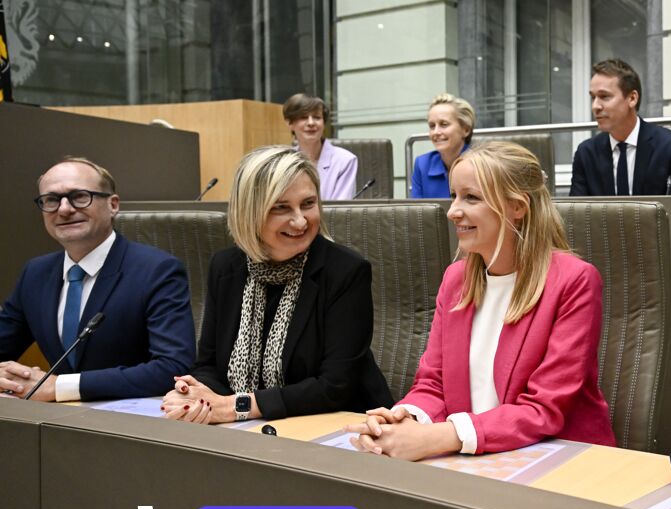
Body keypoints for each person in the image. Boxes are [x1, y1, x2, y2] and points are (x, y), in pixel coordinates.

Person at [347, 141, 615, 460]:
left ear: (517, 207)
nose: (452, 211)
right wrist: (404, 420)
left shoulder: (575, 280)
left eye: (471, 197)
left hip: (564, 460)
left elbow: (544, 408)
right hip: (477, 458)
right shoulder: (455, 280)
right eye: (454, 196)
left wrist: (438, 437)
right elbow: (433, 384)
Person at [162, 146, 391, 423]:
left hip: (341, 424)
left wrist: (237, 406)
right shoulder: (226, 267)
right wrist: (193, 395)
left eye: (308, 204)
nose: (300, 220)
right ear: (249, 212)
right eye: (281, 207)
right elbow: (209, 365)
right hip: (254, 427)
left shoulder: (346, 271)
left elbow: (334, 386)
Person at [0, 157, 195, 402]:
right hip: (55, 419)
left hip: (132, 418)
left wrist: (59, 387)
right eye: (51, 200)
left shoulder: (157, 270)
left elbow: (172, 368)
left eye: (80, 196)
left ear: (113, 205)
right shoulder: (36, 273)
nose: (64, 209)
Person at [570, 59, 671, 196]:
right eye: (593, 97)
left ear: (632, 98)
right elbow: (576, 208)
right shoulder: (586, 153)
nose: (595, 106)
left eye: (604, 96)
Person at [283, 93, 360, 200]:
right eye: (303, 117)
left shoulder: (345, 160)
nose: (311, 123)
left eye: (317, 117)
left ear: (324, 124)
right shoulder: (282, 162)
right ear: (289, 124)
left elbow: (340, 207)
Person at [411, 93, 475, 199]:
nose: (436, 132)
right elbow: (417, 208)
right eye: (432, 126)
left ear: (466, 130)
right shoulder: (422, 164)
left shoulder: (481, 164)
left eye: (444, 124)